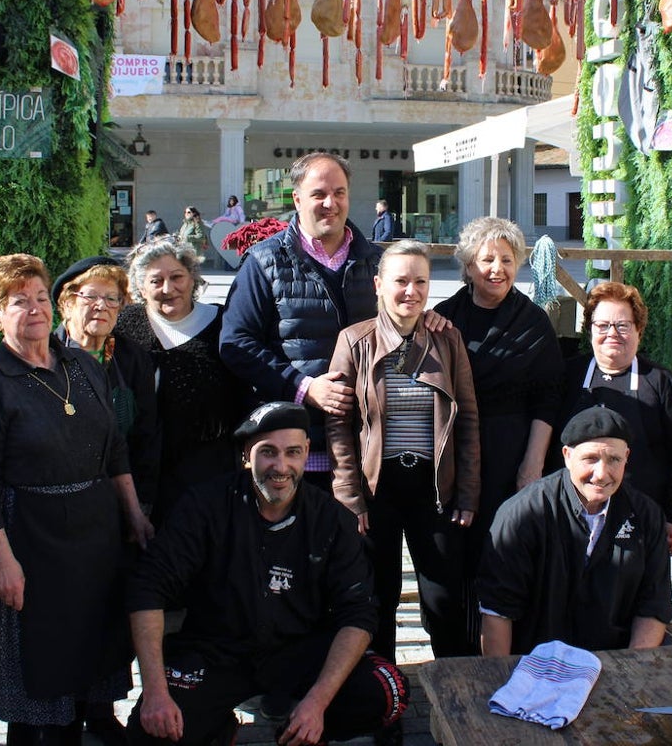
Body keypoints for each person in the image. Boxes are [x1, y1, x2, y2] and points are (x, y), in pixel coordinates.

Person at [126, 402, 408, 746]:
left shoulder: (332, 520)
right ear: (247, 454)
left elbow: (359, 614)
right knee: (149, 734)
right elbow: (148, 588)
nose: (281, 466)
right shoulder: (204, 506)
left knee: (388, 691)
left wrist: (317, 703)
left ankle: (300, 730)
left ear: (306, 453)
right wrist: (155, 692)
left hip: (300, 650)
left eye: (292, 452)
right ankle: (217, 729)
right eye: (268, 453)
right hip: (217, 651)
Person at [0, 254, 146, 745]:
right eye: (18, 301)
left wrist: (133, 515)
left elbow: (115, 450)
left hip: (95, 537)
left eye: (41, 297)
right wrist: (3, 564)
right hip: (32, 542)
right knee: (39, 688)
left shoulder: (83, 365)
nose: (35, 309)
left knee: (89, 665)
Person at [327, 239, 480, 665]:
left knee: (444, 597)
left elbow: (466, 417)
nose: (410, 291)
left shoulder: (446, 339)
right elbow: (338, 425)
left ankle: (456, 692)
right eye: (400, 281)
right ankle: (384, 705)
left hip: (435, 487)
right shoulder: (355, 341)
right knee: (379, 597)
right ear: (378, 284)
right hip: (378, 489)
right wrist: (349, 497)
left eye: (420, 281)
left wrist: (467, 493)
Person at [220, 152, 384, 491]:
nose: (330, 203)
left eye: (339, 193)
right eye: (319, 194)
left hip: (368, 450)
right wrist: (304, 387)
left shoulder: (378, 263)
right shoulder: (264, 262)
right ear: (297, 199)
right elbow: (236, 343)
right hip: (296, 455)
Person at [433, 217, 563, 643]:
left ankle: (508, 654)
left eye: (507, 259)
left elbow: (548, 399)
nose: (497, 268)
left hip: (511, 451)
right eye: (487, 259)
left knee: (505, 553)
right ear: (468, 265)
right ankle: (459, 655)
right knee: (456, 559)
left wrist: (532, 465)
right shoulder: (442, 319)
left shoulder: (534, 322)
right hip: (455, 453)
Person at [53, 256, 161, 745]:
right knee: (67, 612)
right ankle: (64, 710)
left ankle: (100, 709)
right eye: (88, 296)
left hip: (121, 506)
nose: (100, 306)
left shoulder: (131, 357)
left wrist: (143, 505)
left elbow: (147, 435)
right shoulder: (44, 354)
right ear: (66, 302)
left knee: (112, 611)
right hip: (60, 509)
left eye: (111, 298)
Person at [476, 407, 672, 655]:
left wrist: (632, 671)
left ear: (627, 457)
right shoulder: (523, 514)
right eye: (590, 458)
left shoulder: (647, 515)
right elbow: (497, 610)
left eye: (614, 459)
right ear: (567, 456)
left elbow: (654, 605)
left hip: (617, 658)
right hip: (534, 662)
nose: (601, 475)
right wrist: (503, 681)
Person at [116, 239, 244, 529]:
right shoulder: (124, 326)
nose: (167, 289)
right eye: (155, 280)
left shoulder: (223, 324)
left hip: (208, 474)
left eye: (177, 277)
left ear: (192, 278)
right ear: (141, 286)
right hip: (140, 475)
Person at [552, 282, 672, 557]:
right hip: (571, 517)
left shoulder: (661, 383)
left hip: (641, 519)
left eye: (623, 326)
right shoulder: (567, 376)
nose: (612, 333)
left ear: (639, 329)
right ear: (589, 330)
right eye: (602, 326)